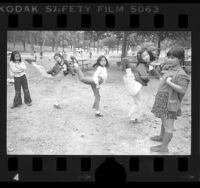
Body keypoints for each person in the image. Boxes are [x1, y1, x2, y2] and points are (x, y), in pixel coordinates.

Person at [150, 47, 190, 153]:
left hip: (169, 102)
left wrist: (169, 83)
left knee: (168, 125)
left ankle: (164, 148)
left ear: (180, 59)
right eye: (169, 57)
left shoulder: (181, 73)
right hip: (163, 99)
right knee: (163, 120)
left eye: (173, 57)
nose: (169, 59)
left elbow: (182, 90)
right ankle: (161, 137)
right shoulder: (171, 69)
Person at [122, 48, 152, 123]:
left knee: (137, 102)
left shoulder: (145, 65)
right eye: (144, 56)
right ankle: (132, 116)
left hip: (137, 84)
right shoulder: (141, 65)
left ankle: (132, 116)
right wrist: (148, 77)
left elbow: (146, 73)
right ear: (140, 58)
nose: (147, 57)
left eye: (147, 55)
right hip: (137, 85)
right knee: (138, 102)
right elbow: (144, 77)